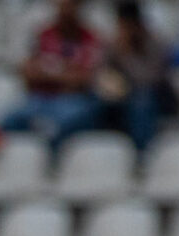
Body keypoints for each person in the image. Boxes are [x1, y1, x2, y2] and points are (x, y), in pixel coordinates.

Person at [6, 0, 105, 144]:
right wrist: (66, 74)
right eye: (62, 6)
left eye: (70, 6)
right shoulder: (43, 34)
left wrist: (48, 74)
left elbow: (84, 80)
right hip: (39, 99)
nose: (65, 11)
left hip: (72, 101)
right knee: (9, 120)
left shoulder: (90, 39)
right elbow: (28, 72)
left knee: (64, 123)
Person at [96, 2, 175, 150]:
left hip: (158, 97)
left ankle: (141, 152)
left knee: (141, 101)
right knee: (95, 103)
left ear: (137, 24)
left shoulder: (157, 45)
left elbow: (148, 80)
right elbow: (102, 74)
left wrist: (124, 55)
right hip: (123, 97)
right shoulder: (114, 45)